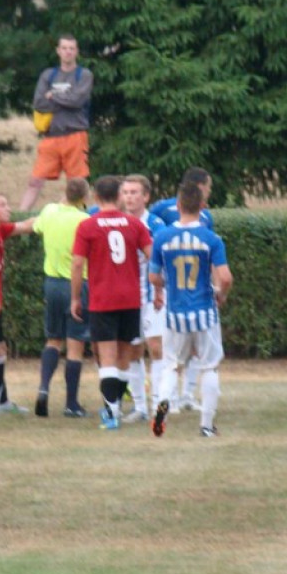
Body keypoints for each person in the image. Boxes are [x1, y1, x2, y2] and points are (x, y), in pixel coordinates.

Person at [149, 181, 233, 438]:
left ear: (177, 205)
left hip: (175, 313)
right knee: (209, 367)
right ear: (203, 206)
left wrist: (164, 287)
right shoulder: (211, 238)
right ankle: (206, 426)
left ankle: (163, 400)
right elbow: (226, 277)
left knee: (171, 365)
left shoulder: (162, 237)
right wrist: (221, 294)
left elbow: (153, 276)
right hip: (204, 311)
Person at [70, 176, 153, 431]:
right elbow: (153, 256)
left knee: (106, 359)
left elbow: (76, 263)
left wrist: (75, 297)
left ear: (95, 197)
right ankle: (116, 408)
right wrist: (158, 286)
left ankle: (111, 413)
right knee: (125, 359)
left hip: (102, 299)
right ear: (119, 196)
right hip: (131, 298)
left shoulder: (87, 226)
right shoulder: (134, 224)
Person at [149, 166, 214, 410]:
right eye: (207, 187)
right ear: (199, 186)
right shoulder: (162, 209)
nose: (208, 192)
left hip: (191, 287)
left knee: (194, 349)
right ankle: (172, 398)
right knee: (176, 349)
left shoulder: (206, 217)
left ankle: (186, 395)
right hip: (173, 290)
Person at [32, 178, 91, 417]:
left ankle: (44, 387)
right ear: (84, 197)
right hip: (77, 284)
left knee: (53, 340)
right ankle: (71, 403)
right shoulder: (84, 221)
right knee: (75, 346)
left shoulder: (49, 211)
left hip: (52, 283)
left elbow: (36, 226)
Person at [20, 35, 94, 212]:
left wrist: (54, 96)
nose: (68, 52)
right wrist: (65, 99)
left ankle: (79, 216)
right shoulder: (48, 75)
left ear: (76, 51)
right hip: (51, 137)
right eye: (64, 48)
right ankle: (20, 215)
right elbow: (39, 103)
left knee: (76, 183)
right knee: (35, 180)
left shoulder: (83, 75)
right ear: (58, 51)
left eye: (71, 48)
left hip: (75, 135)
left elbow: (78, 100)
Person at [119, 174, 167, 422]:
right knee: (132, 351)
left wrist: (159, 289)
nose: (129, 197)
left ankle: (160, 404)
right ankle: (140, 407)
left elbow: (161, 262)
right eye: (126, 192)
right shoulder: (116, 223)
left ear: (146, 196)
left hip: (152, 296)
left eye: (134, 192)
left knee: (157, 348)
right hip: (127, 298)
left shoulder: (156, 225)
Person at [0, 194, 36, 415]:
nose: (8, 209)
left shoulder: (0, 229)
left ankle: (1, 400)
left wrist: (54, 213)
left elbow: (26, 226)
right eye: (2, 205)